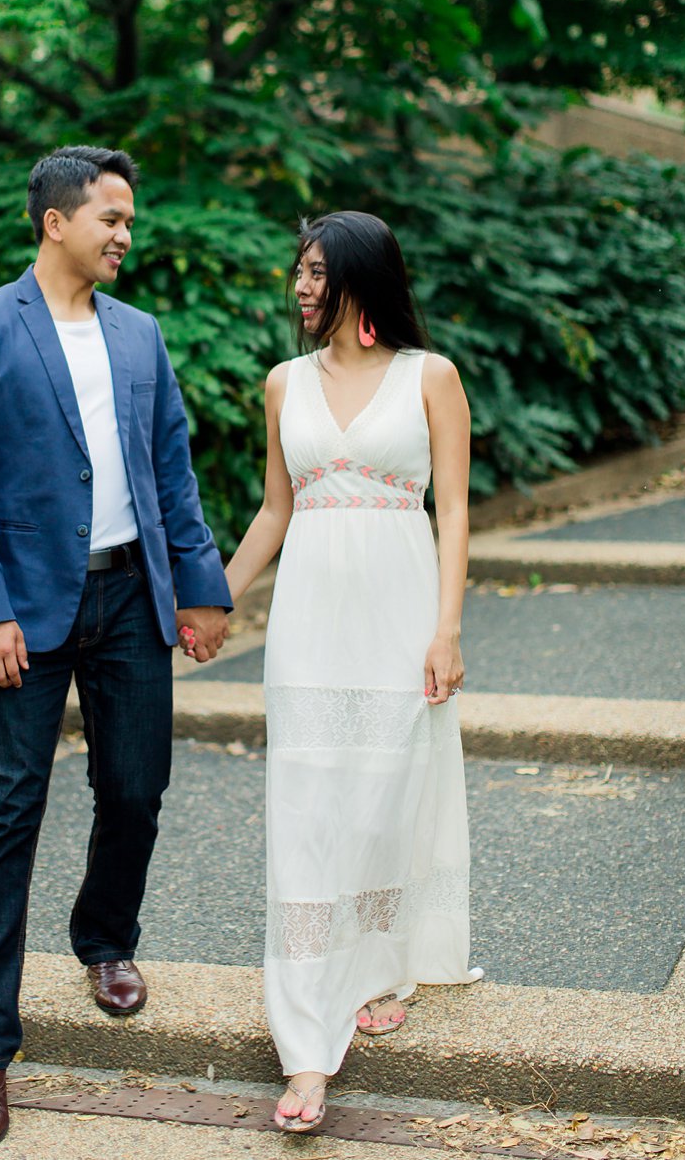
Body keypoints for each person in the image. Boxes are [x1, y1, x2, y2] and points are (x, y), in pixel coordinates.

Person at [0, 145, 231, 1148]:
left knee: (137, 786)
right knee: (6, 809)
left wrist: (200, 590)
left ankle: (105, 938)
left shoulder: (140, 334)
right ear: (56, 219)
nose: (125, 234)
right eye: (111, 217)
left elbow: (171, 471)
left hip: (130, 599)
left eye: (130, 219)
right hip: (24, 610)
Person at [221, 210, 482, 1134]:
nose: (301, 284)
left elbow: (452, 511)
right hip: (309, 626)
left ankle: (381, 964)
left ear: (361, 280)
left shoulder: (431, 377)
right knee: (307, 806)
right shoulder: (283, 383)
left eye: (318, 270)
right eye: (298, 268)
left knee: (384, 795)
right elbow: (272, 510)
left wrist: (446, 630)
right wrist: (213, 601)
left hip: (402, 615)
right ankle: (305, 1044)